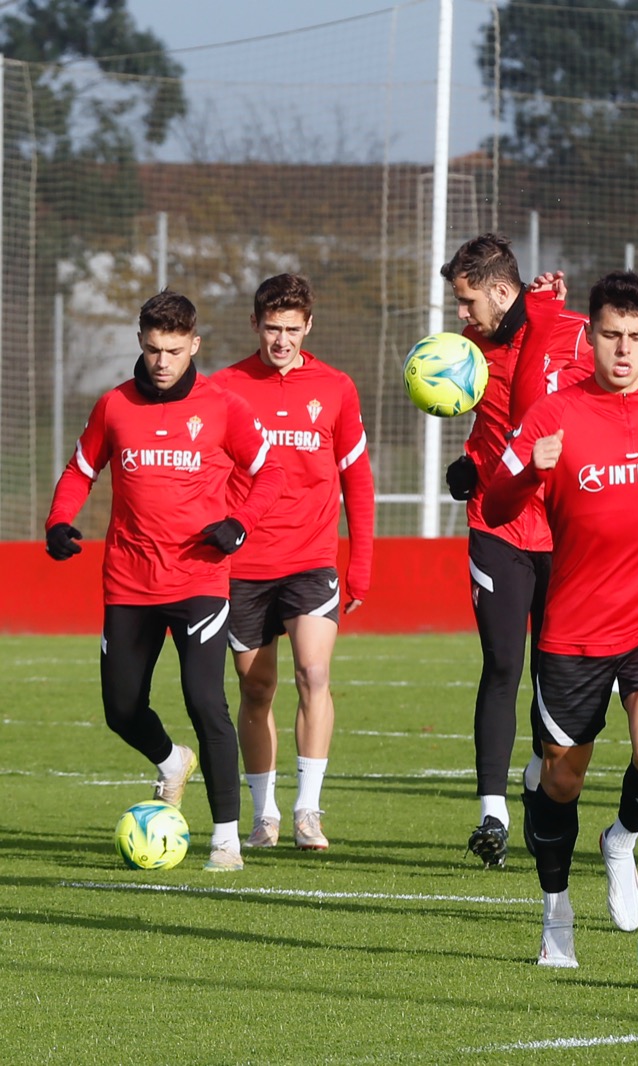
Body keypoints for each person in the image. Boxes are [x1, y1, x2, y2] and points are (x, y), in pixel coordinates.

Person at [480, 271, 638, 967]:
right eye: (612, 336)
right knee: (562, 779)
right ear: (590, 337)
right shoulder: (551, 415)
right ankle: (555, 912)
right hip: (574, 631)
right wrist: (530, 471)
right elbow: (495, 507)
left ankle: (620, 839)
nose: (624, 350)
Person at [44, 291, 285, 872]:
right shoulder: (113, 406)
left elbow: (270, 471)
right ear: (140, 343)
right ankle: (171, 761)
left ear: (194, 345)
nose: (161, 361)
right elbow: (80, 470)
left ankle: (226, 838)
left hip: (199, 580)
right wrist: (58, 521)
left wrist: (239, 524)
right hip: (127, 581)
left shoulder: (222, 406)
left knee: (206, 701)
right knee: (121, 709)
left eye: (174, 350)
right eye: (153, 348)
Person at [210, 274, 375, 850]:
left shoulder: (335, 387)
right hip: (244, 565)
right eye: (272, 328)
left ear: (309, 326)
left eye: (292, 329)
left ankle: (308, 809)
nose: (282, 340)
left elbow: (357, 478)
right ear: (255, 325)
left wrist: (361, 564)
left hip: (310, 559)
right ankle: (264, 815)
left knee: (314, 674)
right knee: (256, 690)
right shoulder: (223, 388)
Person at [438, 234, 586, 868]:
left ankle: (537, 773)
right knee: (502, 663)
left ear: (503, 290)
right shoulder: (469, 352)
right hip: (497, 524)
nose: (462, 315)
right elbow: (485, 426)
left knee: (557, 668)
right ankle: (492, 812)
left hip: (568, 529)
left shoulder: (578, 335)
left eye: (469, 301)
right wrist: (468, 466)